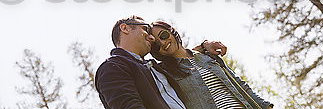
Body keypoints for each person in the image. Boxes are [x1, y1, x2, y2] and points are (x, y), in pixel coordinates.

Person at [95, 15, 226, 109]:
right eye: (145, 29)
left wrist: (204, 46)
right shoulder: (113, 67)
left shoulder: (155, 69)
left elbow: (183, 57)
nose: (152, 38)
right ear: (125, 28)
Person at [150, 20, 274, 109]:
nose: (162, 43)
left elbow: (240, 86)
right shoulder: (164, 72)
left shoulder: (207, 56)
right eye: (156, 45)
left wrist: (265, 106)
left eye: (163, 35)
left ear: (172, 31)